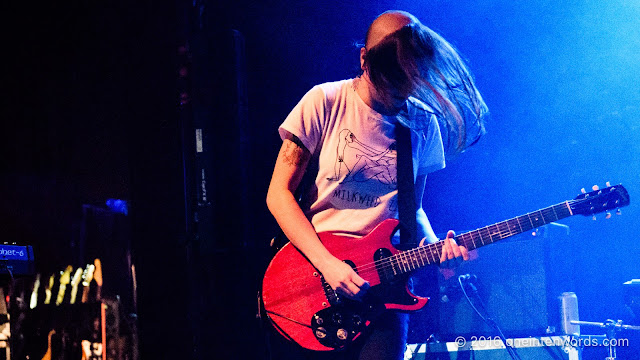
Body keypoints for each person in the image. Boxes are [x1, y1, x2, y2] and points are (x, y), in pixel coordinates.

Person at [265, 10, 488, 360]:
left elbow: (411, 208)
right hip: (313, 278)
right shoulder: (324, 101)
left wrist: (436, 249)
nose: (397, 98)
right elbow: (278, 194)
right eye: (390, 83)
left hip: (386, 287)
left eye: (407, 84)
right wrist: (327, 264)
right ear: (364, 59)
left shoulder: (422, 122)